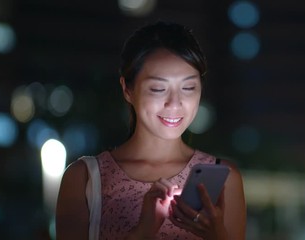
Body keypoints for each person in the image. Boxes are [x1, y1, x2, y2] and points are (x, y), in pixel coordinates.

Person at [55, 21, 246, 240]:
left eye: (188, 88)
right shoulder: (84, 178)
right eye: (158, 88)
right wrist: (142, 232)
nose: (175, 103)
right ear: (127, 89)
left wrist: (216, 236)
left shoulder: (224, 179)